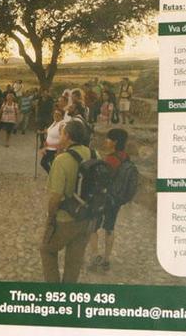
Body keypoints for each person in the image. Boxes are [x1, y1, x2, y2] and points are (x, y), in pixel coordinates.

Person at [39, 121, 93, 283]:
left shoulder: (62, 160)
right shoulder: (93, 153)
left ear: (68, 136)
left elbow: (55, 196)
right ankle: (68, 293)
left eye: (62, 133)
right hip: (87, 217)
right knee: (74, 261)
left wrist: (50, 218)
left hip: (66, 218)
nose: (60, 136)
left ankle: (54, 292)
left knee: (47, 250)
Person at [87, 128, 129, 273]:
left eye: (108, 139)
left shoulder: (110, 160)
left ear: (115, 142)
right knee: (110, 228)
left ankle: (95, 255)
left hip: (103, 198)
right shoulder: (125, 157)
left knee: (93, 227)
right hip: (116, 200)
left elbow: (101, 180)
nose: (106, 141)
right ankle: (107, 259)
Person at [39, 108, 67, 173]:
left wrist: (59, 151)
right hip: (48, 148)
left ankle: (53, 176)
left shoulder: (62, 124)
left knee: (50, 164)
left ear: (62, 116)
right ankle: (52, 176)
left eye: (58, 114)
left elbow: (62, 138)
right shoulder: (54, 122)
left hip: (54, 149)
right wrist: (42, 132)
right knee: (45, 163)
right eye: (55, 114)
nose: (56, 115)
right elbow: (50, 131)